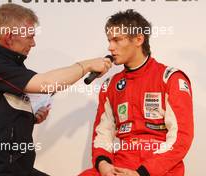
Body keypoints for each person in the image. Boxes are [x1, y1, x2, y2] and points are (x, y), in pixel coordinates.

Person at [0, 3, 112, 176]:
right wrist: (87, 65)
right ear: (9, 37)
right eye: (30, 36)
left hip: (15, 168)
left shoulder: (8, 65)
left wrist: (29, 117)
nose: (34, 43)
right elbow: (47, 83)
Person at [79, 9, 194, 176]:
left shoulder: (171, 78)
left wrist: (142, 173)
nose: (110, 47)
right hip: (121, 164)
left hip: (160, 168)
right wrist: (104, 165)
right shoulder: (110, 85)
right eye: (109, 41)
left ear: (139, 39)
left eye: (117, 40)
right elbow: (103, 134)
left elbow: (181, 139)